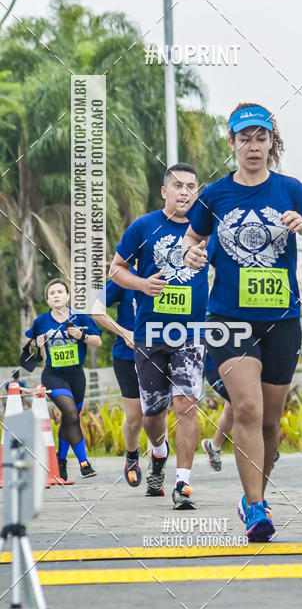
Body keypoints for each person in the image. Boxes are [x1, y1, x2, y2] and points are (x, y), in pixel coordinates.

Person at [182, 102, 302, 542]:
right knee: (247, 406)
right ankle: (254, 507)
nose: (253, 146)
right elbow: (192, 239)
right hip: (229, 318)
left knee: (269, 426)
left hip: (282, 320)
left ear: (271, 143)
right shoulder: (215, 195)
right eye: (244, 138)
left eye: (260, 138)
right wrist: (191, 255)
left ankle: (255, 499)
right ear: (231, 143)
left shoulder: (290, 189)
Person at [109, 163, 209, 510]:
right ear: (165, 191)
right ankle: (158, 450)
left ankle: (183, 483)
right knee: (152, 414)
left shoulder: (207, 229)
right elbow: (116, 270)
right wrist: (142, 284)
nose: (185, 192)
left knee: (186, 405)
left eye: (191, 186)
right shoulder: (143, 226)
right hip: (150, 333)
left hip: (191, 333)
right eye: (178, 185)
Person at [25, 278, 102, 480]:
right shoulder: (41, 321)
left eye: (60, 292)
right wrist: (35, 342)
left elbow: (98, 341)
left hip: (77, 376)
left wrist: (81, 336)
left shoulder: (81, 317)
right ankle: (84, 463)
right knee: (71, 413)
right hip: (53, 375)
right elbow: (28, 343)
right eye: (52, 293)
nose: (56, 295)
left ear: (68, 296)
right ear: (47, 299)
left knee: (70, 418)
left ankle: (61, 459)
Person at [92, 266, 142, 486]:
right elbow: (95, 310)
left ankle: (157, 469)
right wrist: (124, 333)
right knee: (134, 417)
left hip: (160, 354)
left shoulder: (169, 273)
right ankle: (132, 457)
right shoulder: (125, 276)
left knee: (156, 414)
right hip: (127, 356)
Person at [200, 352, 233, 472]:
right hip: (214, 363)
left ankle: (214, 446)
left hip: (243, 360)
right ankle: (261, 445)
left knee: (233, 406)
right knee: (238, 401)